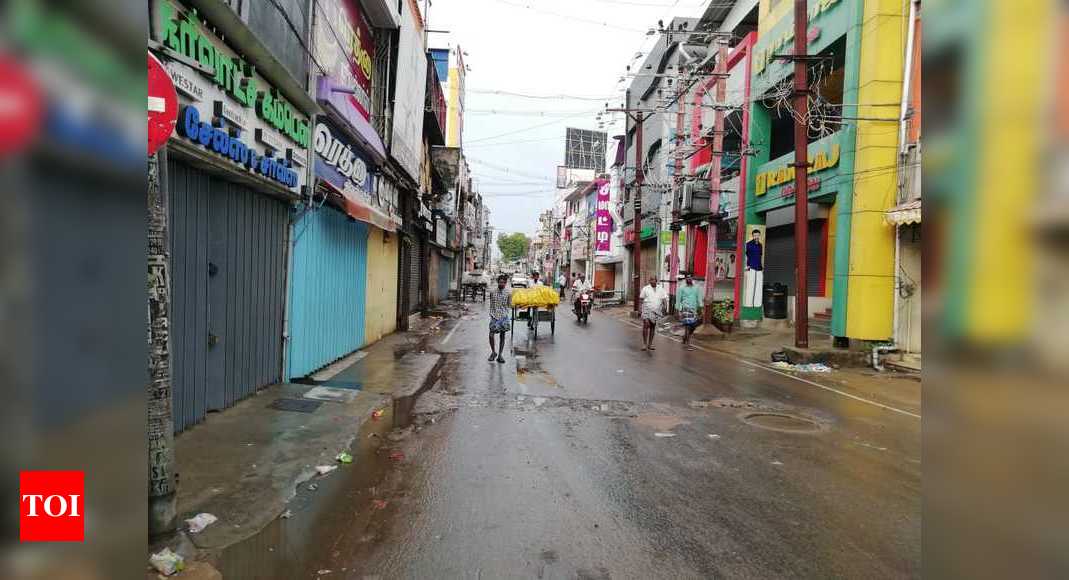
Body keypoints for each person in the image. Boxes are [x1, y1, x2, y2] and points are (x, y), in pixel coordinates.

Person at [639, 275, 668, 351]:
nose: (652, 281)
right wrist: (640, 309)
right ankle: (644, 344)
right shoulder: (645, 288)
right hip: (646, 309)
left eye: (653, 280)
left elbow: (664, 298)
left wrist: (665, 306)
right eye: (650, 280)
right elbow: (641, 299)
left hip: (656, 310)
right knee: (646, 324)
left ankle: (650, 344)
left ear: (656, 280)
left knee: (652, 326)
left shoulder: (660, 289)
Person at [487, 274, 511, 363]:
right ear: (498, 282)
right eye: (500, 282)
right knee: (491, 335)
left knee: (502, 336)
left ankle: (500, 355)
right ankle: (493, 352)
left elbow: (509, 305)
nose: (501, 284)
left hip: (504, 316)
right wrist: (493, 314)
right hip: (494, 315)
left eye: (503, 283)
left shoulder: (508, 293)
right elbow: (491, 303)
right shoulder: (492, 292)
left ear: (505, 283)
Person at [677, 274, 701, 350]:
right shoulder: (681, 288)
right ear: (685, 279)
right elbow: (678, 299)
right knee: (688, 326)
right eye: (687, 278)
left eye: (690, 278)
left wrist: (701, 308)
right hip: (685, 308)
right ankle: (688, 344)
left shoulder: (696, 287)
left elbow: (699, 298)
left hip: (694, 309)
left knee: (693, 326)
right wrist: (678, 310)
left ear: (692, 278)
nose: (689, 279)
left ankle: (685, 337)